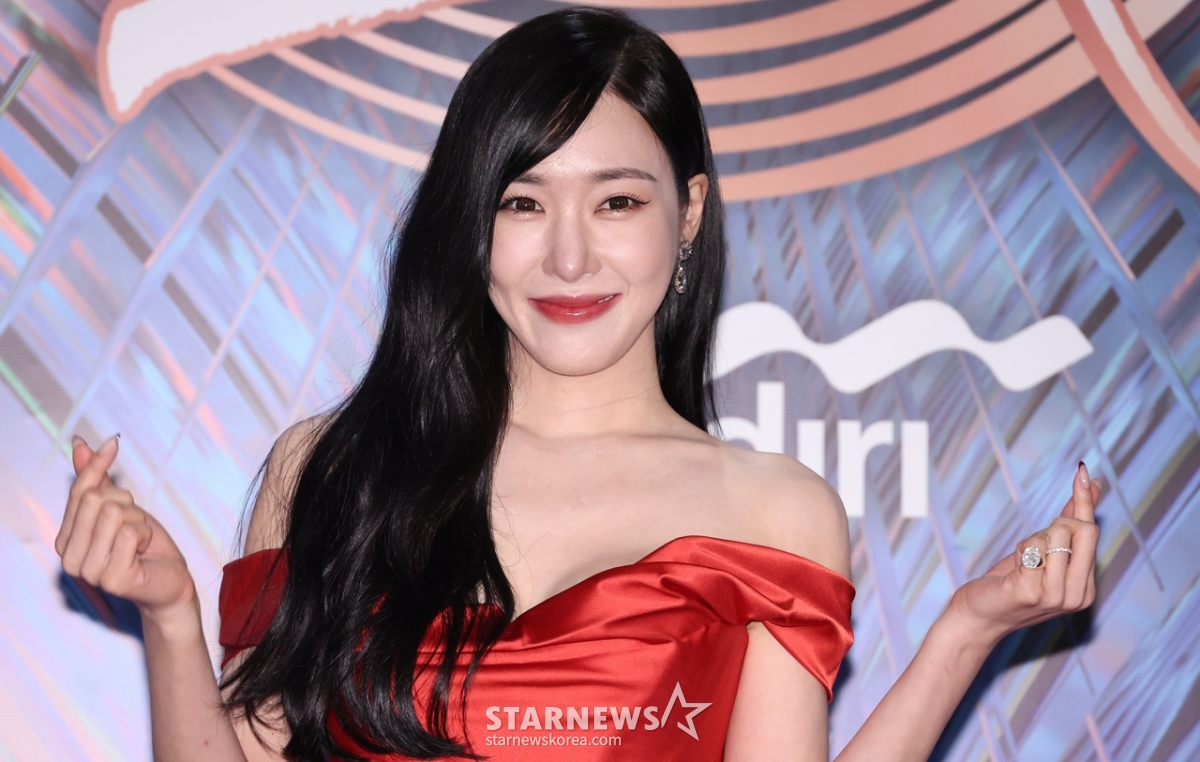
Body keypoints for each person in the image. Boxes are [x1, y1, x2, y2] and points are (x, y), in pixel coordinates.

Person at [54, 7, 1100, 761]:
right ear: (472, 222)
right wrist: (172, 619)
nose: (567, 258)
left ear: (688, 215)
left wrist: (963, 633)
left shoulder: (774, 513)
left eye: (616, 203)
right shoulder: (333, 468)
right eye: (522, 203)